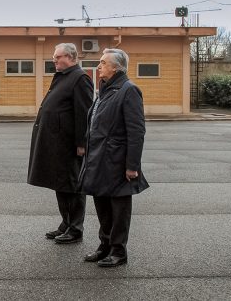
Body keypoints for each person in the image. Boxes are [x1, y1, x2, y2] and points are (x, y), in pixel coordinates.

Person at [78, 48, 148, 267]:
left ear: (116, 67)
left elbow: (136, 131)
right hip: (99, 159)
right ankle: (105, 245)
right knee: (102, 205)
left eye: (103, 62)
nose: (98, 66)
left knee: (118, 209)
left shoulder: (129, 90)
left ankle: (118, 251)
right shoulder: (106, 89)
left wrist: (132, 166)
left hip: (117, 162)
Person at [27, 43, 93, 245]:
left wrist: (81, 143)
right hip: (57, 143)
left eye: (58, 57)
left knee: (72, 185)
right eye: (54, 57)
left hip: (69, 144)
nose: (54, 60)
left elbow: (84, 113)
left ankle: (75, 229)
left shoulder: (80, 79)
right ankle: (66, 223)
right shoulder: (64, 76)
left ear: (71, 57)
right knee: (60, 184)